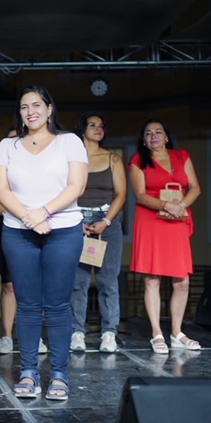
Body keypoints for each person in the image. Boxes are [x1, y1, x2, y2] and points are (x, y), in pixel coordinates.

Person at [0, 85, 88, 401]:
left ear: (49, 109)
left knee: (58, 304)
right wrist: (29, 217)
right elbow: (1, 190)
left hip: (63, 230)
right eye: (24, 107)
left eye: (36, 105)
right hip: (18, 231)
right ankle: (29, 372)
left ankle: (59, 373)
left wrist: (44, 212)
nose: (30, 111)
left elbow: (76, 186)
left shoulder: (70, 141)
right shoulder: (7, 146)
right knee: (28, 304)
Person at [128, 118, 201, 354]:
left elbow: (195, 187)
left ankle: (177, 333)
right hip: (151, 220)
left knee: (182, 280)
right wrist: (167, 205)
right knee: (152, 278)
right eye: (148, 133)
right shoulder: (138, 161)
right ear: (143, 140)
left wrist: (180, 206)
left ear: (166, 137)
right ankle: (157, 333)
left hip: (177, 219)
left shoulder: (182, 156)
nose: (154, 136)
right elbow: (140, 195)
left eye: (158, 132)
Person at [70, 113, 127, 353]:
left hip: (107, 224)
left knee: (108, 281)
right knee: (78, 282)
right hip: (77, 223)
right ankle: (76, 332)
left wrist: (106, 220)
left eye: (101, 126)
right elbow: (65, 190)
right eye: (92, 125)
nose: (98, 128)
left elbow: (121, 195)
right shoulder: (72, 158)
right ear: (82, 129)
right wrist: (75, 220)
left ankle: (109, 333)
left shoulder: (113, 159)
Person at [0, 129, 48, 356]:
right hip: (10, 225)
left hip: (39, 224)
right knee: (9, 284)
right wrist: (18, 214)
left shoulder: (39, 163)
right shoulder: (1, 164)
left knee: (37, 285)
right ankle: (7, 336)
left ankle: (36, 336)